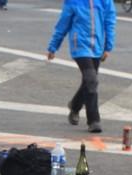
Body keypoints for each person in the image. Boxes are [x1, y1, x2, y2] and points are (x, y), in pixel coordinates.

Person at [47, 0, 116, 134]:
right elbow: (63, 25)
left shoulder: (105, 1)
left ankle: (75, 106)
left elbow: (110, 21)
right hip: (79, 45)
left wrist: (108, 46)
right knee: (91, 80)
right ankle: (93, 121)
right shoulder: (73, 1)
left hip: (97, 46)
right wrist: (53, 47)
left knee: (88, 82)